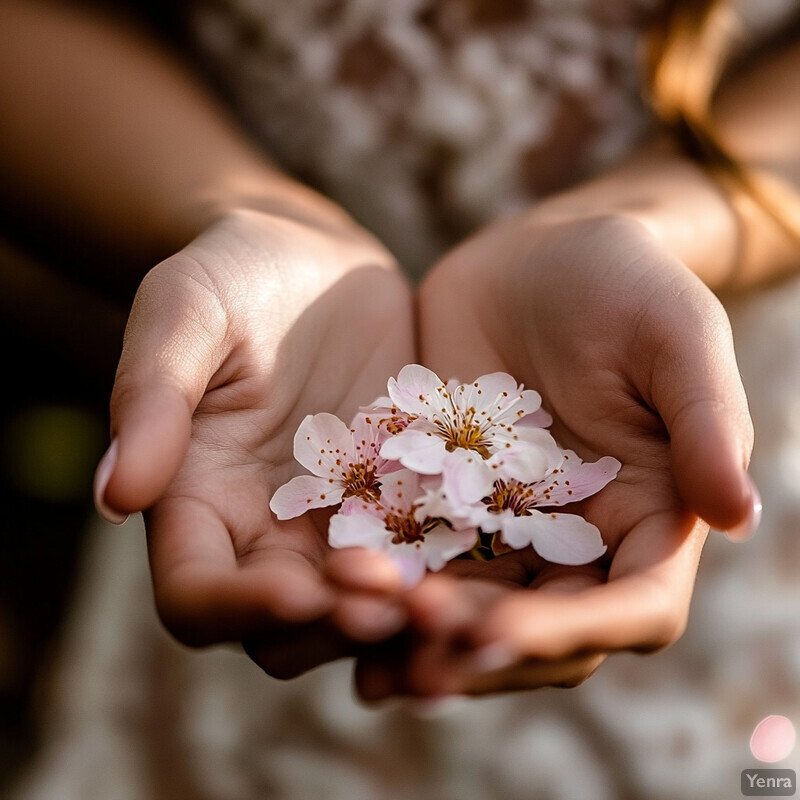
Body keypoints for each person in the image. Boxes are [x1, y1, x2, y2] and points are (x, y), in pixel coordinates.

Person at [2, 0, 799, 796]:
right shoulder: (365, 470)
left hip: (647, 401)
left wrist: (662, 222)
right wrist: (233, 208)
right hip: (268, 396)